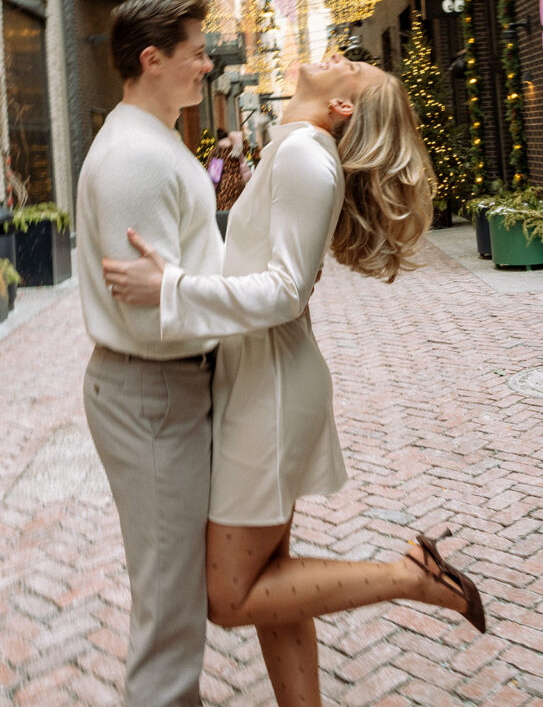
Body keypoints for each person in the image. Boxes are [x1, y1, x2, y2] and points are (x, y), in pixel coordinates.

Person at [102, 53, 486, 706]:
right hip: (260, 379)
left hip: (269, 390)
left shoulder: (308, 155)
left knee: (227, 595)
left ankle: (413, 576)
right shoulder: (293, 147)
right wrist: (188, 265)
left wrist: (171, 288)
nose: (339, 57)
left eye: (352, 68)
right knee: (273, 577)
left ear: (342, 108)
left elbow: (282, 292)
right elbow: (266, 267)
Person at [76, 0, 221, 707]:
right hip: (153, 388)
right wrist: (250, 298)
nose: (207, 63)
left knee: (176, 588)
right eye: (195, 50)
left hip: (166, 390)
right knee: (168, 604)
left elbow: (170, 286)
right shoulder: (134, 156)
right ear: (151, 58)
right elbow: (149, 318)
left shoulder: (155, 139)